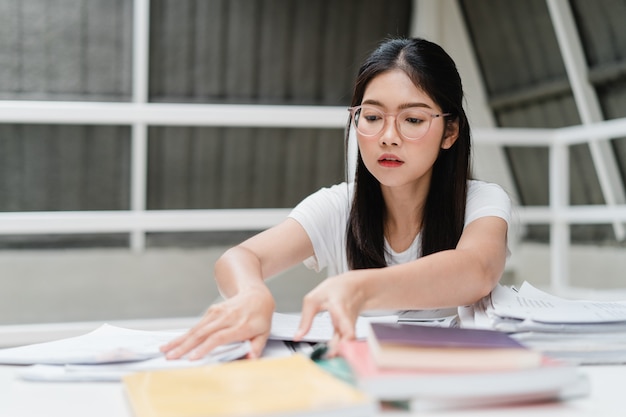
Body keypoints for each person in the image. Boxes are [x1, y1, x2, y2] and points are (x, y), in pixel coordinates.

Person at [161, 37, 511, 360]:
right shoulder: (339, 206)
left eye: (413, 119)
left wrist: (357, 288)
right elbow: (239, 257)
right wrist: (252, 293)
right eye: (372, 117)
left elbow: (476, 271)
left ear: (450, 131)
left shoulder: (481, 202)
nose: (388, 137)